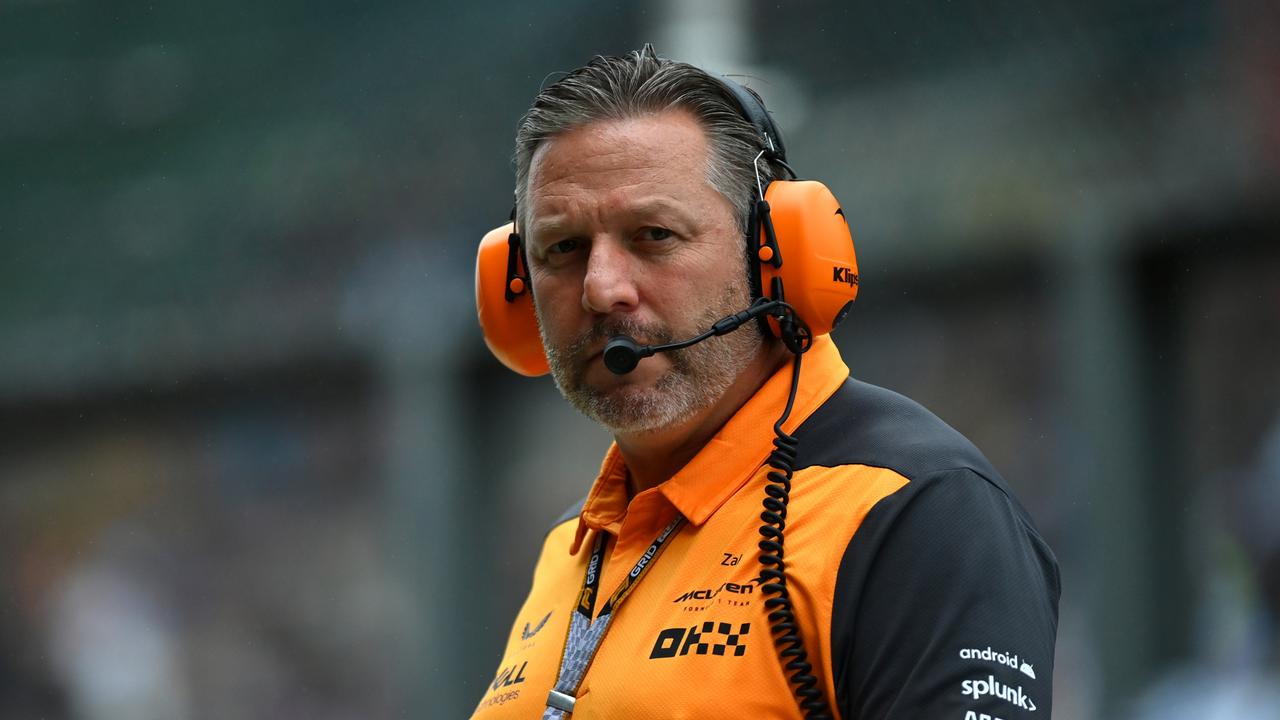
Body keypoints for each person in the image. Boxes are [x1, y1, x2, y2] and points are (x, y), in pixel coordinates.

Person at [471, 45, 1060, 720]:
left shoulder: (916, 509)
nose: (603, 289)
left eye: (654, 234)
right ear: (512, 290)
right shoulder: (570, 550)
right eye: (563, 249)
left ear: (773, 254)